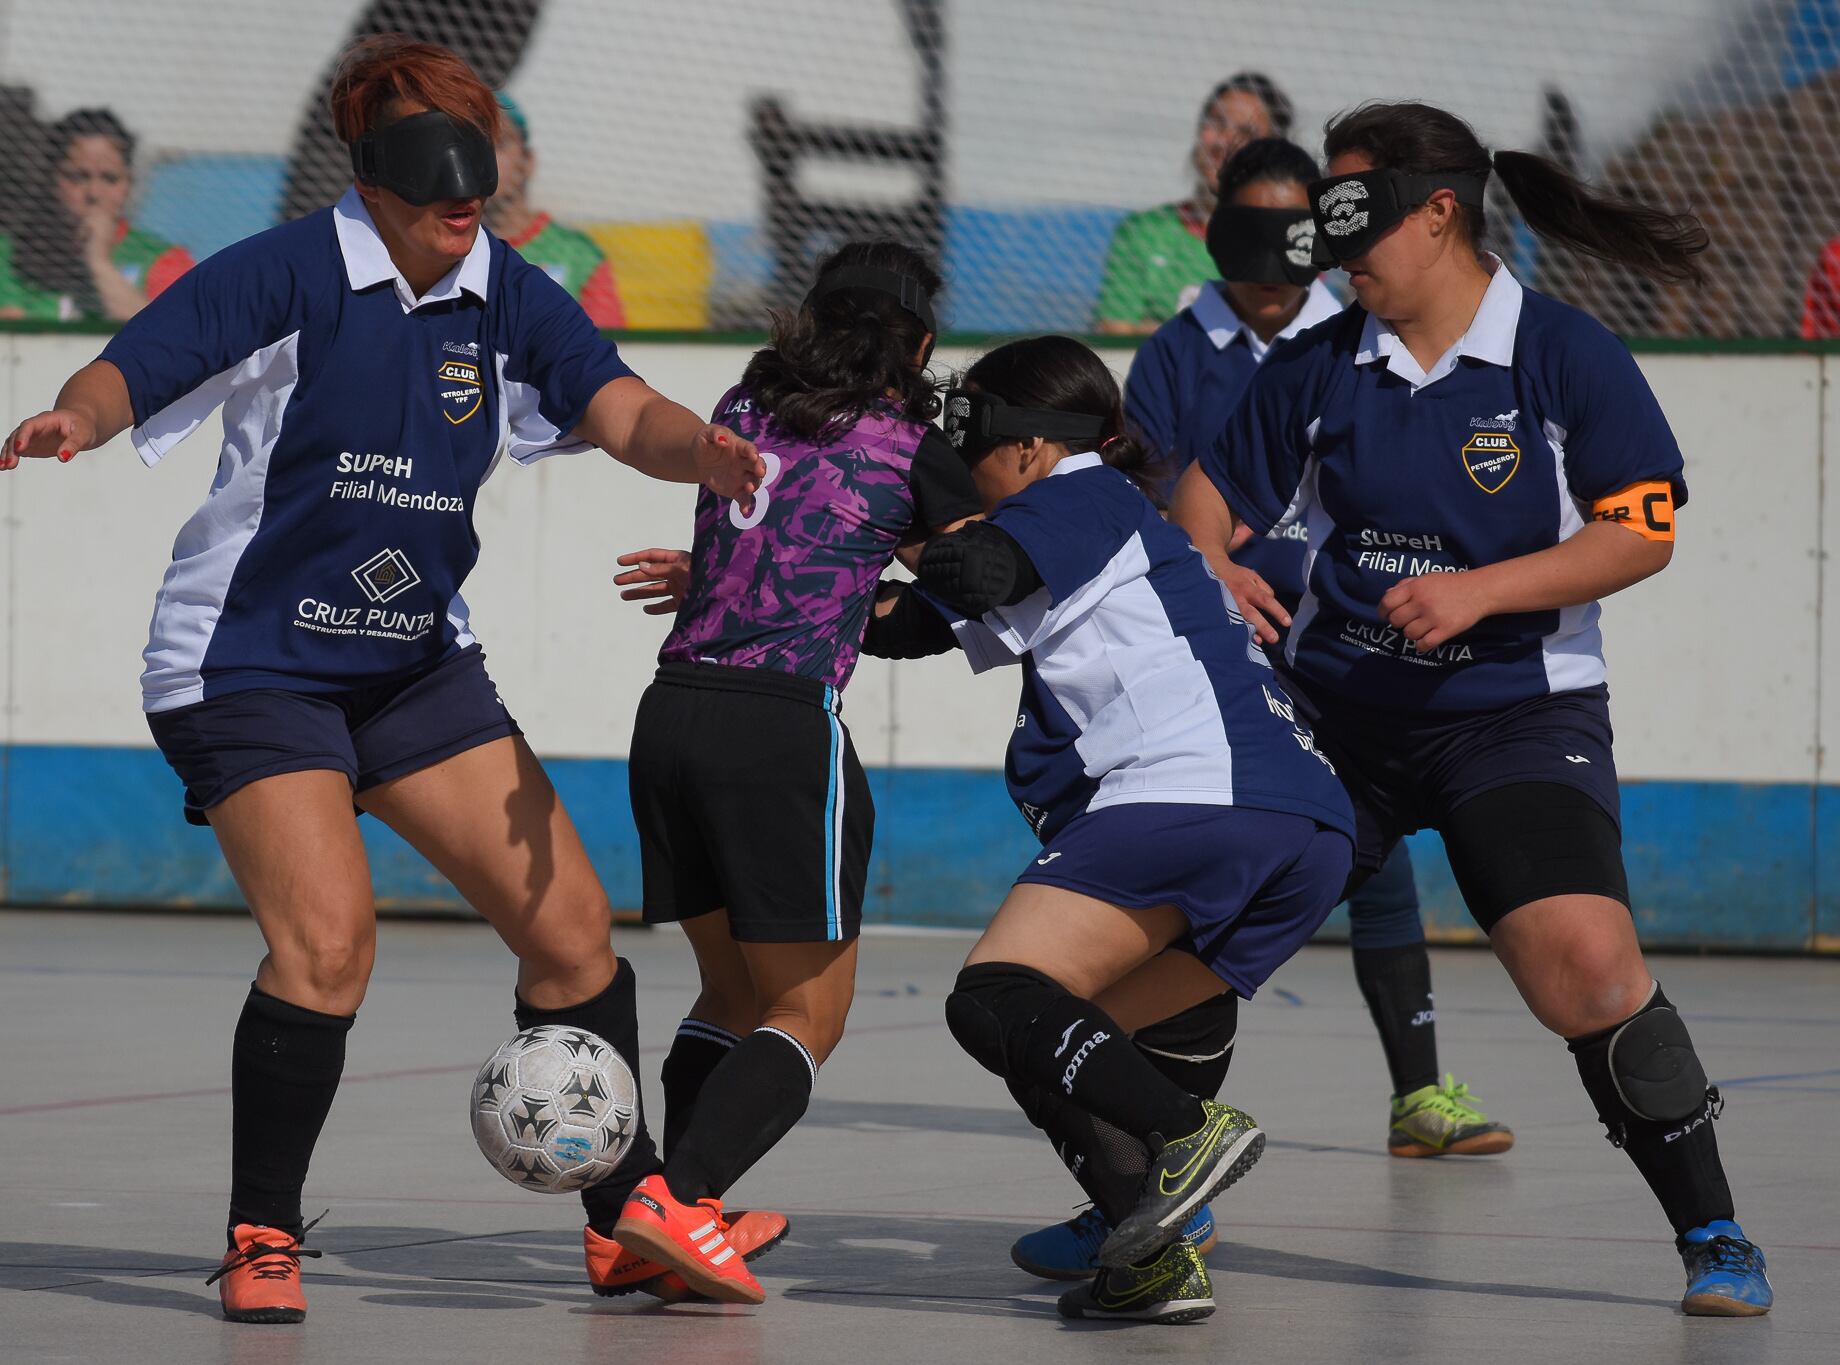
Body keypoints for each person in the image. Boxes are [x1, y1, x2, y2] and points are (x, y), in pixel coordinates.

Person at [0, 34, 778, 1326]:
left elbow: (621, 408)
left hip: (413, 662)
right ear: (374, 174)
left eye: (478, 169)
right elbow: (137, 362)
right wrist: (77, 417)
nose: (464, 198)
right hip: (250, 663)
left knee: (575, 935)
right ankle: (261, 1232)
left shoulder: (505, 289)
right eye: (436, 171)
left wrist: (705, 453)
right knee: (328, 946)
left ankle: (625, 1223)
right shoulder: (291, 270)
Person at [1170, 100, 1773, 1317]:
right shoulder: (1320, 360)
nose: (1337, 252)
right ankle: (1143, 1200)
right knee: (1185, 943)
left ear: (1437, 212)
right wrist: (1216, 570)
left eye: (1357, 220)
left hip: (1513, 715)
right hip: (1337, 719)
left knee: (1588, 967)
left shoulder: (1560, 354)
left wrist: (1479, 593)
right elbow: (1203, 490)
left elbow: (1639, 532)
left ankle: (1713, 1232)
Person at [1011, 134, 1515, 1283]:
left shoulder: (1361, 343)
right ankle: (1150, 1182)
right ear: (1215, 234)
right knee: (1200, 925)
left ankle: (1413, 1087)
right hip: (1214, 651)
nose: (1284, 265)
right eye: (1260, 235)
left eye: (1308, 235)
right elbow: (1147, 500)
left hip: (1327, 641)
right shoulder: (1181, 355)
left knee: (1358, 860)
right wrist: (1210, 568)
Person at [860, 334, 1355, 1323]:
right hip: (1300, 823)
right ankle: (1148, 1249)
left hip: (1196, 791)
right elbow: (912, 620)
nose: (967, 463)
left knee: (996, 998)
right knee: (1050, 1041)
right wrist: (757, 575)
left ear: (1035, 446)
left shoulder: (1080, 494)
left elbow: (967, 563)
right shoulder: (1084, 531)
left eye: (973, 439)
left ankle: (1186, 1137)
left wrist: (891, 454)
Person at [603, 242, 977, 1304]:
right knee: (808, 1013)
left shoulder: (740, 406)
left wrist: (726, 578)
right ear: (917, 342)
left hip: (670, 714)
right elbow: (986, 575)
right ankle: (675, 1198)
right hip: (777, 733)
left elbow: (783, 536)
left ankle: (674, 1221)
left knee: (726, 989)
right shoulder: (908, 444)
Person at [1094, 72, 1291, 335]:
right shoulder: (1143, 232)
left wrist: (1155, 330)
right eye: (1218, 123)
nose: (1224, 142)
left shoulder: (1290, 242)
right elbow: (1113, 332)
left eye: (1245, 132)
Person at [0, 109, 194, 322]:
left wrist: (99, 263)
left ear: (129, 184)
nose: (94, 194)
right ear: (51, 179)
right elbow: (11, 347)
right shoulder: (5, 254)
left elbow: (169, 340)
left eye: (110, 179)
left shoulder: (162, 258)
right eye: (78, 177)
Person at [485, 92, 626, 328]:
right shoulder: (443, 253)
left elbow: (610, 350)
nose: (484, 156)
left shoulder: (579, 257)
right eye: (472, 146)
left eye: (499, 144)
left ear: (527, 162)